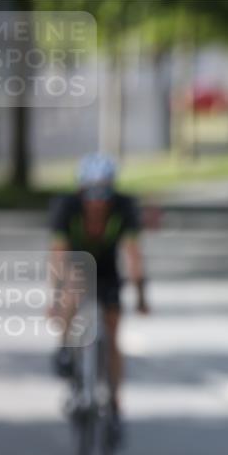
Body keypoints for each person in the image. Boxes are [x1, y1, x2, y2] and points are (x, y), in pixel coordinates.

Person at [49, 153, 149, 439]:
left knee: (113, 335)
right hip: (78, 265)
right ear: (80, 192)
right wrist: (55, 298)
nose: (97, 202)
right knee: (74, 284)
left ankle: (115, 405)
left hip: (107, 270)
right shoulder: (66, 208)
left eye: (103, 193)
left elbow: (133, 255)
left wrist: (141, 295)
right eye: (90, 193)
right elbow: (58, 255)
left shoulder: (124, 207)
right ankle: (66, 348)